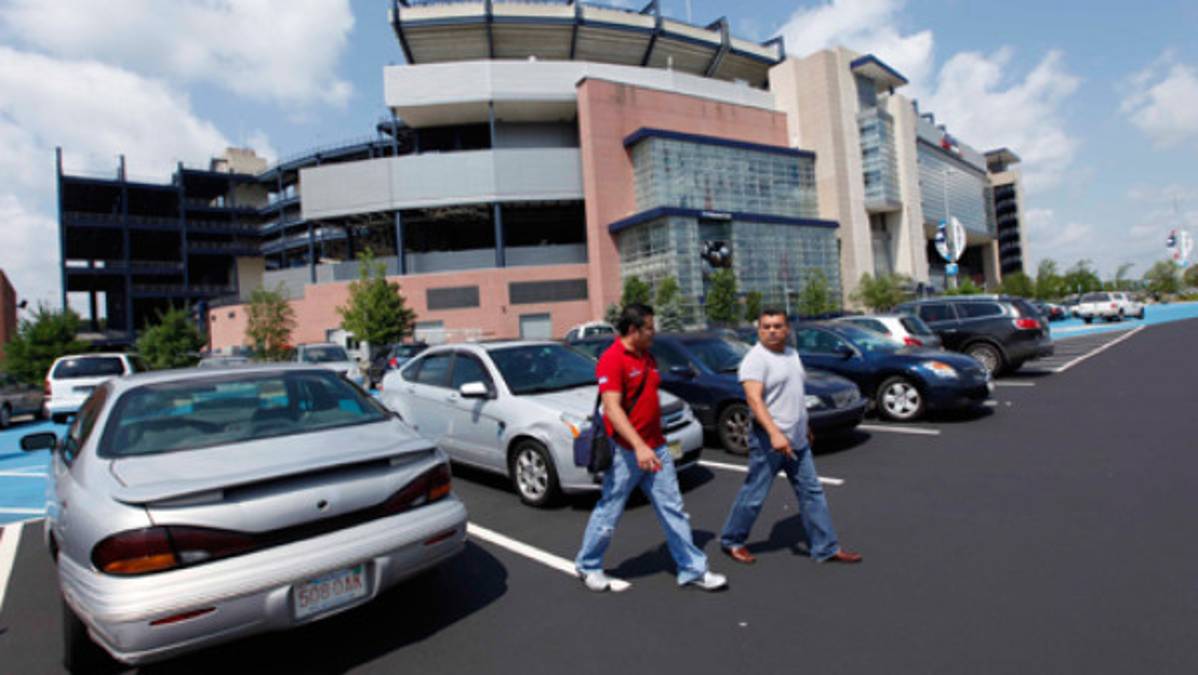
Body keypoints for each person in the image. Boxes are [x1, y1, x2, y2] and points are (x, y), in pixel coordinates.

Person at [575, 304, 727, 592]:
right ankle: (588, 565)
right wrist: (638, 446)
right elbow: (612, 409)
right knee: (609, 510)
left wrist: (652, 444)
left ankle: (692, 569)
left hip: (656, 448)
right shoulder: (612, 360)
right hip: (626, 452)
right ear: (633, 330)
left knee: (673, 509)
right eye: (649, 328)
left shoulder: (648, 357)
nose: (653, 332)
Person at [719, 308, 862, 565]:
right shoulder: (755, 360)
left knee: (812, 492)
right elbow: (753, 399)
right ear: (759, 330)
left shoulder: (791, 354)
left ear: (787, 329)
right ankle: (732, 540)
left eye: (777, 326)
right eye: (766, 327)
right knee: (754, 495)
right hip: (769, 441)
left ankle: (826, 547)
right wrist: (775, 434)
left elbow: (795, 393)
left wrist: (804, 426)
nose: (772, 331)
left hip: (797, 439)